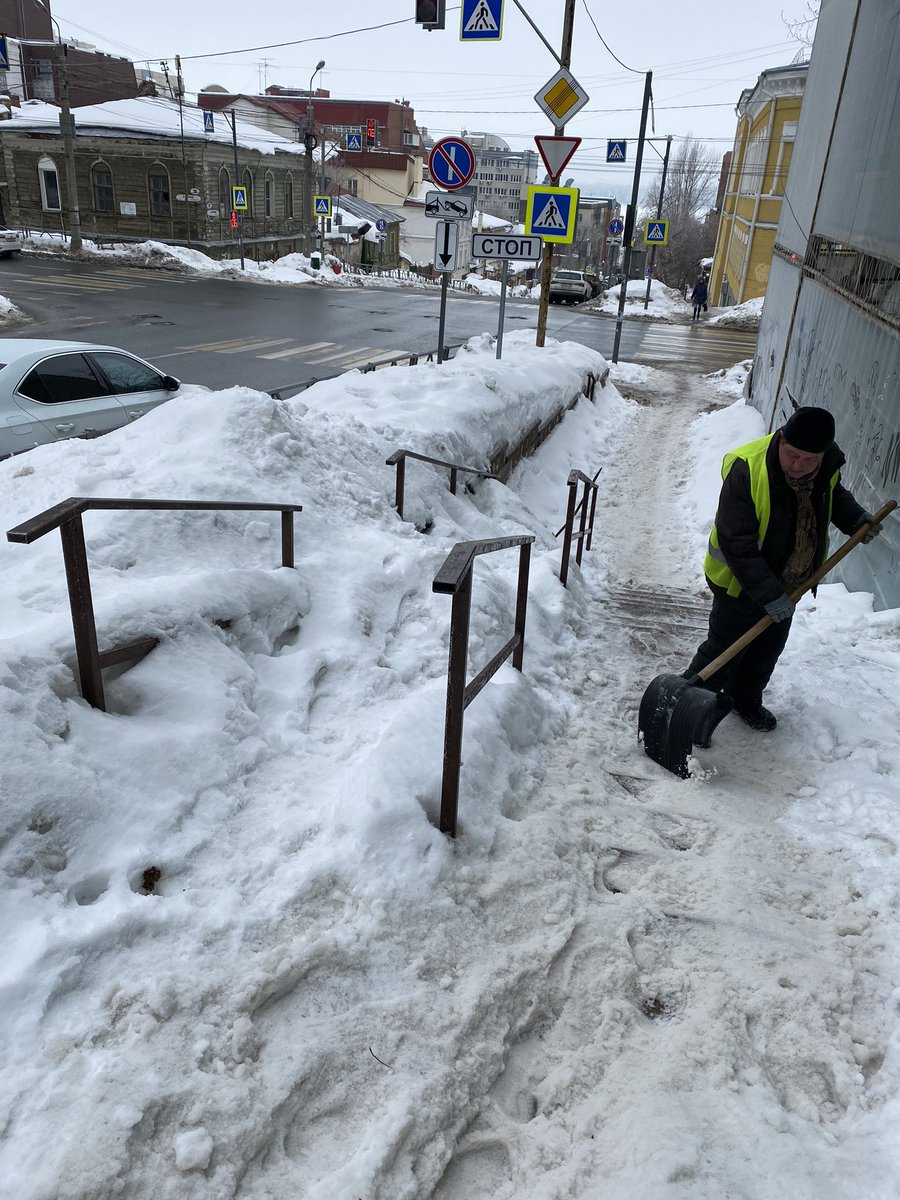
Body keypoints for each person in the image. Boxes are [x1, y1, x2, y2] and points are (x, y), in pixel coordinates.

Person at [683, 406, 884, 731]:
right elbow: (737, 543)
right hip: (738, 582)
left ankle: (744, 699)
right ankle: (686, 706)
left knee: (767, 649)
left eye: (810, 461)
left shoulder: (825, 463)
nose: (799, 467)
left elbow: (832, 494)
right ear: (780, 439)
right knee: (724, 649)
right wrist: (769, 595)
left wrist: (855, 520)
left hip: (790, 581)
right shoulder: (748, 469)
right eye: (793, 456)